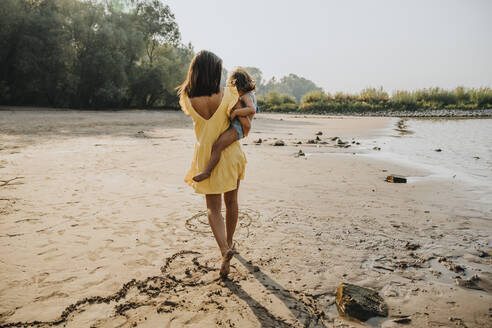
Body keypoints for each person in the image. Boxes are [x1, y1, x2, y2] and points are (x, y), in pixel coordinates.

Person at [177, 50, 247, 278]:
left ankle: (223, 250)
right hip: (230, 154)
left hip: (205, 157)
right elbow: (240, 119)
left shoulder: (187, 99)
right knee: (232, 201)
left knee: (213, 209)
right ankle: (230, 242)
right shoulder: (228, 94)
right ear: (214, 72)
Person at [193, 68, 258, 182]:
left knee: (217, 146)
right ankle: (207, 171)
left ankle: (207, 172)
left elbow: (251, 110)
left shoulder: (246, 96)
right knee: (218, 145)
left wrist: (236, 112)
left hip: (238, 129)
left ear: (238, 85)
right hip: (238, 128)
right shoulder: (247, 95)